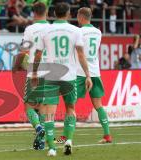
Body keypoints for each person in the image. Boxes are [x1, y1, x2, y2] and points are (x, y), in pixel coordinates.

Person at [34, 2, 92, 155]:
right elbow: (80, 55)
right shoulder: (76, 31)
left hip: (51, 75)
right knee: (71, 109)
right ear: (68, 14)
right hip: (70, 75)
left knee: (49, 113)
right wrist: (87, 75)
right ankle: (68, 140)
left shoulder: (45, 30)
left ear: (53, 13)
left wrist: (34, 72)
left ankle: (52, 148)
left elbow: (38, 54)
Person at [14, 2, 50, 152]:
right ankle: (40, 141)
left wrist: (16, 65)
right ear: (46, 12)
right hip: (51, 71)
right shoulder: (52, 28)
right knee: (42, 106)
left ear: (33, 13)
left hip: (34, 71)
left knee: (28, 105)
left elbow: (23, 52)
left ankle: (38, 127)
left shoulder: (30, 29)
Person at [75, 7, 112, 143]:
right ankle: (107, 135)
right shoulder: (98, 32)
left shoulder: (78, 32)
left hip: (80, 72)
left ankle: (64, 139)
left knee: (70, 106)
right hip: (95, 72)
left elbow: (78, 52)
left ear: (81, 17)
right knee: (98, 105)